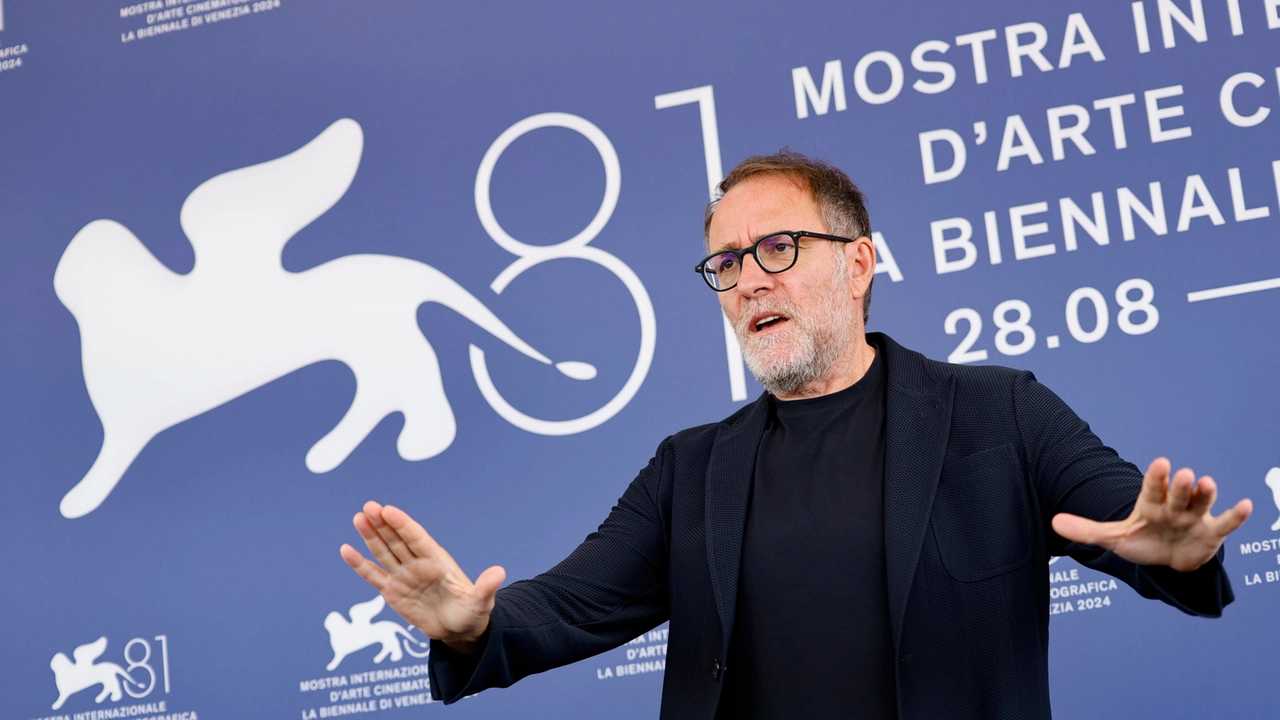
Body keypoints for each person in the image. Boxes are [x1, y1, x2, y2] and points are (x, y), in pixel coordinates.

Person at [339, 151, 1253, 719]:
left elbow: (1130, 525)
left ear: (858, 263)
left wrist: (1170, 554)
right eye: (726, 263)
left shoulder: (999, 413)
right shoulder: (689, 469)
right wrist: (473, 625)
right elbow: (571, 604)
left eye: (778, 249)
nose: (747, 281)